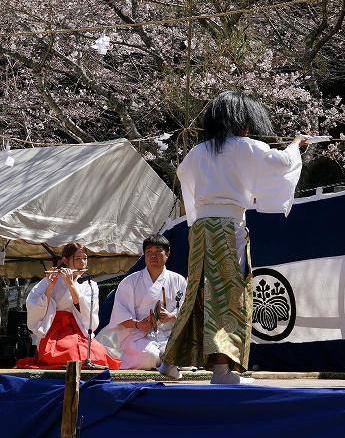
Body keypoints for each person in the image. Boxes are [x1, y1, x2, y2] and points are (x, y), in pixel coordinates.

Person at [160, 90, 305, 384]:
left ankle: (170, 360)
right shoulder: (244, 146)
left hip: (200, 228)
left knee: (198, 292)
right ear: (241, 121)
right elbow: (281, 164)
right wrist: (295, 145)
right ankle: (222, 370)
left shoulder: (198, 151)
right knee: (230, 294)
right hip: (227, 227)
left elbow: (183, 174)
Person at [16, 243, 120, 369]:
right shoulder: (51, 279)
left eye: (85, 258)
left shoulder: (89, 284)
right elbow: (35, 303)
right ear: (65, 260)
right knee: (68, 354)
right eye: (78, 258)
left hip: (77, 327)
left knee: (96, 354)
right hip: (53, 329)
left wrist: (71, 284)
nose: (83, 262)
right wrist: (50, 285)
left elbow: (85, 309)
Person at [96, 235, 187, 370]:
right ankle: (160, 361)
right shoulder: (130, 281)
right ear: (144, 255)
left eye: (158, 251)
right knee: (149, 356)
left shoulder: (178, 280)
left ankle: (165, 360)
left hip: (169, 334)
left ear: (167, 254)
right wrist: (139, 324)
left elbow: (187, 309)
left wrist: (171, 316)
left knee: (181, 353)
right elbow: (120, 314)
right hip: (138, 335)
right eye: (149, 252)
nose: (153, 256)